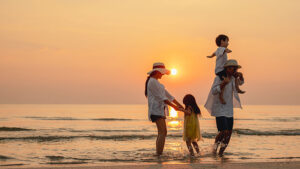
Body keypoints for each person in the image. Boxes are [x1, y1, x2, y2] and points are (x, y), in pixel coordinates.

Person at [204, 59, 245, 157]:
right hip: (219, 108)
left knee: (229, 133)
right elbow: (214, 91)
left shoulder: (233, 78)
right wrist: (223, 83)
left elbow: (240, 83)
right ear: (226, 68)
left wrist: (241, 76)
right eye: (231, 67)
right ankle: (215, 148)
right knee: (223, 131)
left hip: (229, 110)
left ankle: (221, 153)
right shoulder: (219, 78)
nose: (233, 70)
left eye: (234, 68)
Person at [145, 62, 184, 156]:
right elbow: (162, 98)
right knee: (162, 132)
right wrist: (175, 107)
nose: (163, 74)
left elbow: (169, 96)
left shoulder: (156, 82)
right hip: (155, 110)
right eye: (162, 72)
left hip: (159, 110)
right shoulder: (152, 82)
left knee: (162, 132)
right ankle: (159, 154)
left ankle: (158, 153)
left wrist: (180, 105)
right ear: (157, 72)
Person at [207, 34, 245, 104]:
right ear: (222, 41)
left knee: (235, 76)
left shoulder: (217, 50)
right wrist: (228, 50)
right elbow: (225, 50)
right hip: (220, 70)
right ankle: (221, 96)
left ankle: (237, 89)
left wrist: (210, 56)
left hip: (221, 70)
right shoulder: (221, 49)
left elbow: (213, 53)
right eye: (227, 41)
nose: (228, 43)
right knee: (225, 81)